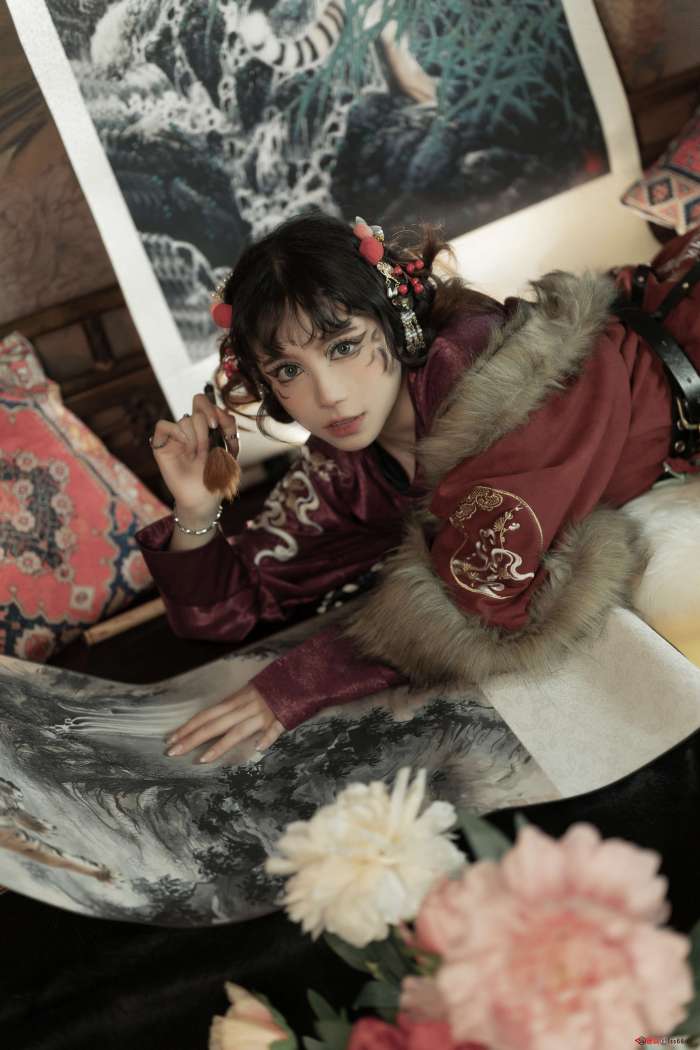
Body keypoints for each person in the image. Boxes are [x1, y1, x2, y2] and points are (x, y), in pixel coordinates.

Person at [137, 213, 700, 763]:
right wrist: (196, 508)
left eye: (344, 347)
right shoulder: (344, 465)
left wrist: (295, 686)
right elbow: (228, 612)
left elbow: (479, 600)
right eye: (288, 371)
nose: (329, 395)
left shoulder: (500, 385)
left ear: (396, 323)